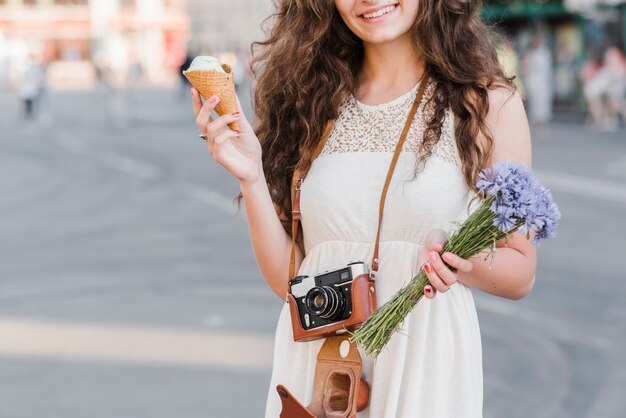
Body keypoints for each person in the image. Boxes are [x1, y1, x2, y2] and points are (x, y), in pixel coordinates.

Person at [190, 1, 536, 417]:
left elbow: (522, 270)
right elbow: (291, 281)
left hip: (425, 367)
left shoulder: (487, 103)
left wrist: (460, 260)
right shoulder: (310, 101)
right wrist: (251, 178)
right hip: (322, 372)